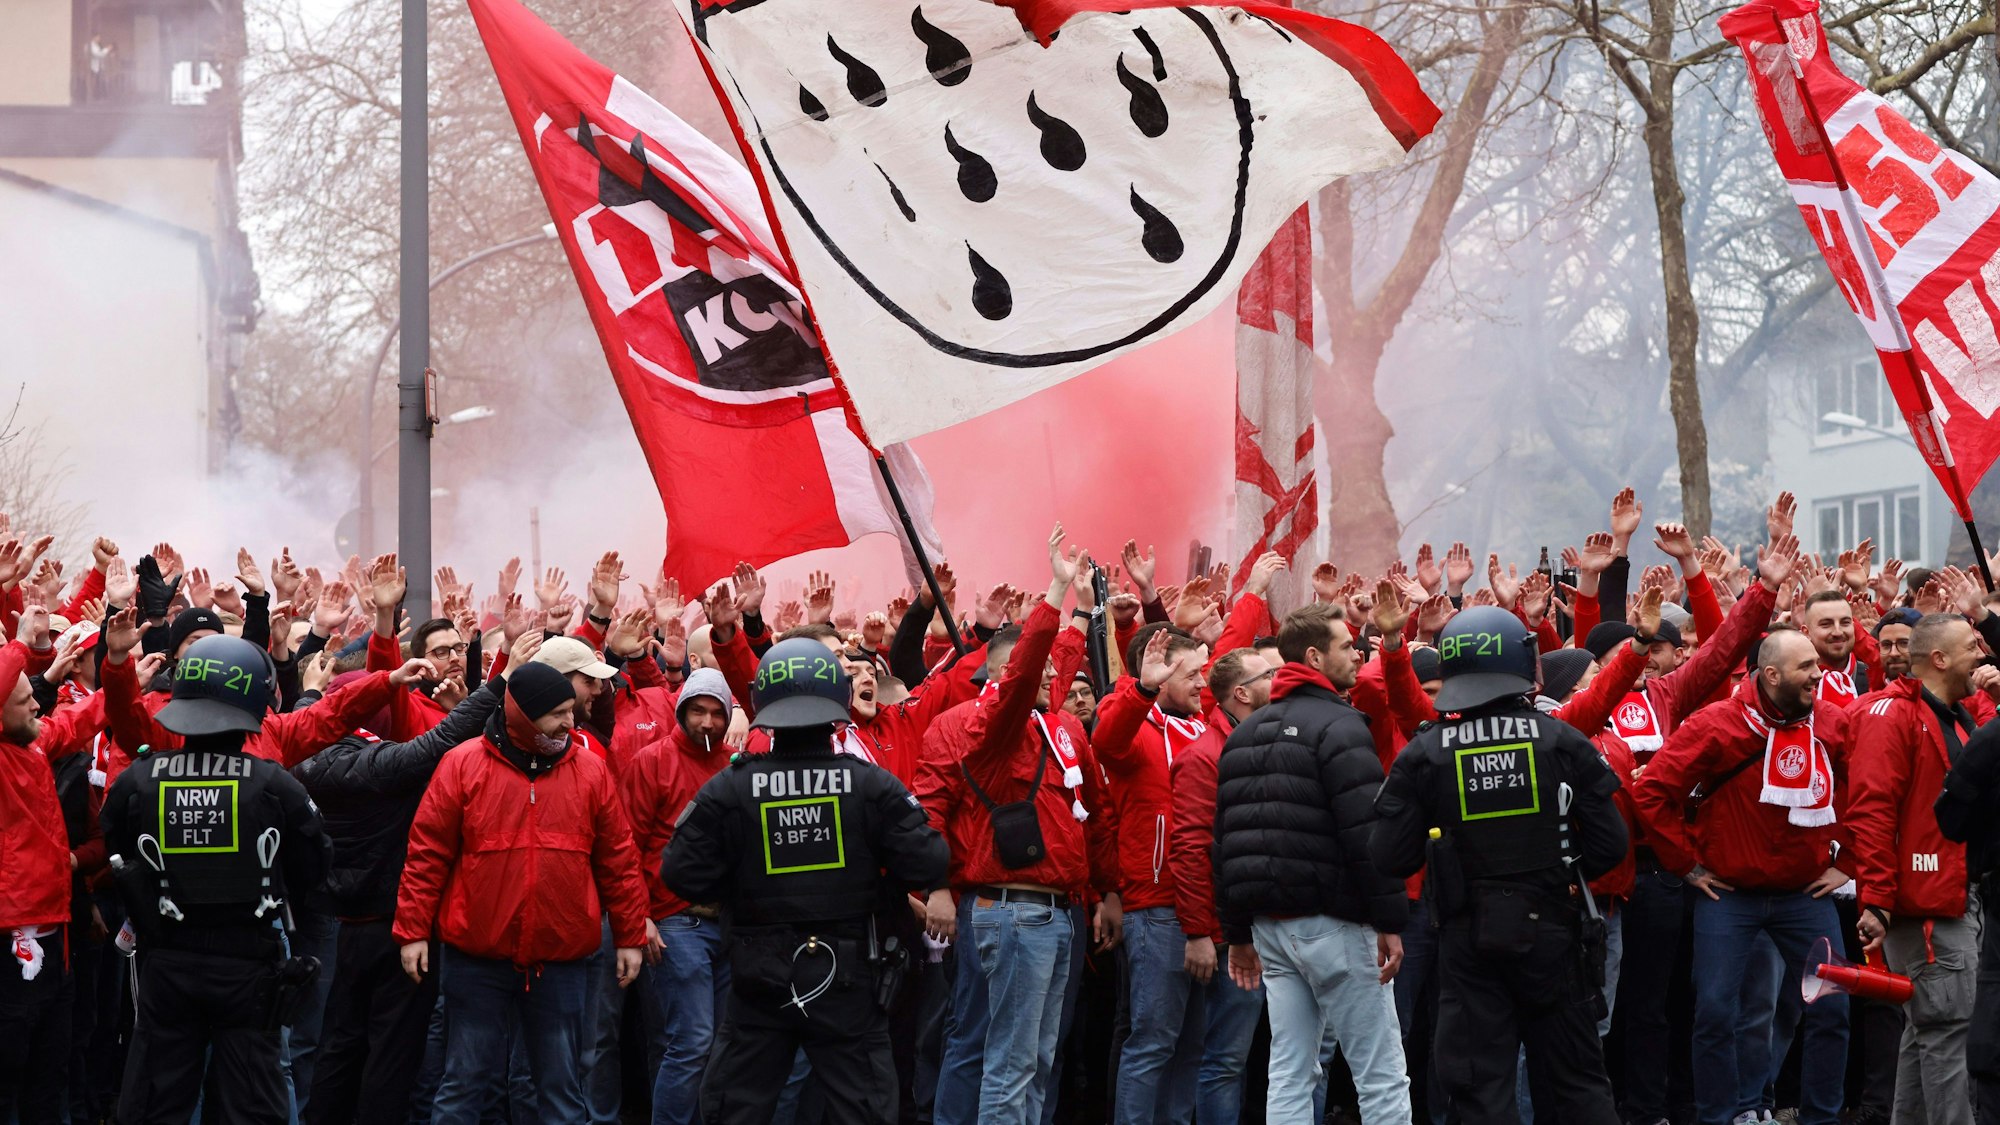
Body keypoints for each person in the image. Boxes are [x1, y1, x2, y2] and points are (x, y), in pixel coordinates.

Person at [659, 636, 950, 1125]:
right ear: (835, 700)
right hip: (850, 978)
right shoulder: (869, 784)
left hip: (758, 978)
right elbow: (929, 861)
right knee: (866, 1112)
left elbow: (679, 872)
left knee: (735, 1110)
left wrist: (741, 879)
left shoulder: (731, 786)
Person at [1371, 605, 1628, 1125]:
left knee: (1478, 1088)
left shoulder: (1425, 753)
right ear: (1522, 661)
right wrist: (1559, 866)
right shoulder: (1561, 739)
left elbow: (1390, 856)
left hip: (1467, 945)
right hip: (1556, 933)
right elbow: (1610, 846)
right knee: (1578, 1083)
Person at [917, 527, 1120, 1125]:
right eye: (1043, 676)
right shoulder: (995, 729)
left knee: (1038, 1058)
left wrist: (1081, 612)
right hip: (1015, 913)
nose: (1059, 680)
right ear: (1009, 682)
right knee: (1008, 1063)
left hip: (1056, 913)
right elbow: (1033, 664)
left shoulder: (1047, 726)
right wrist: (1055, 590)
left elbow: (1051, 662)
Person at [294, 630, 538, 1125]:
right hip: (395, 924)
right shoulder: (370, 763)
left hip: (349, 922)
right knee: (390, 1051)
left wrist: (314, 692)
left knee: (341, 1042)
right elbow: (442, 741)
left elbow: (307, 721)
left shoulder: (307, 750)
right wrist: (503, 680)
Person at [393, 661, 652, 1125]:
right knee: (463, 1086)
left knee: (562, 1093)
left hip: (561, 959)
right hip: (476, 957)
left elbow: (619, 860)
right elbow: (426, 854)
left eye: (572, 711)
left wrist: (630, 935)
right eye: (558, 714)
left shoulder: (590, 770)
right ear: (522, 714)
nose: (571, 723)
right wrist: (412, 931)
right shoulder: (463, 763)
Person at [99, 627, 337, 1125]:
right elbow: (313, 866)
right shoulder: (276, 785)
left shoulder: (138, 780)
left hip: (167, 962)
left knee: (153, 1102)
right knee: (252, 1103)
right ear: (255, 702)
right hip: (248, 964)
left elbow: (118, 847)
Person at [1632, 605, 1857, 1125]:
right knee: (1714, 1012)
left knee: (1833, 1009)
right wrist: (1685, 864)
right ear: (1771, 674)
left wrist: (1850, 857)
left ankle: (1821, 1117)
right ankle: (1719, 1117)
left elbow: (1868, 792)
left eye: (1817, 665)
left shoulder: (1832, 721)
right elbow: (1651, 794)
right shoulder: (1716, 725)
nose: (1818, 674)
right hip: (1728, 900)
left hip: (1807, 898)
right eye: (1805, 667)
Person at [1212, 600, 1410, 1125]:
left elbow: (1227, 845)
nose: (1357, 651)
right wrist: (1390, 921)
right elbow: (1367, 835)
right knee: (1382, 1072)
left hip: (1270, 932)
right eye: (1347, 646)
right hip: (1334, 926)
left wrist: (1238, 934)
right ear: (1317, 658)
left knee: (1290, 1071)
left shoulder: (1243, 734)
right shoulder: (1342, 726)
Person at [1847, 612, 1986, 1125]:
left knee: (1925, 1032)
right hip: (1926, 905)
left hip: (1947, 895)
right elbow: (1872, 809)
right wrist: (1878, 900)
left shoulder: (1952, 715)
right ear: (1941, 659)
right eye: (1972, 647)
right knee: (1949, 1032)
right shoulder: (1893, 716)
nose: (1982, 655)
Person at [1092, 625, 1210, 1125]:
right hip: (1156, 908)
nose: (1203, 682)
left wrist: (1251, 595)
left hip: (1207, 908)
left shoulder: (1205, 729)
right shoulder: (1137, 729)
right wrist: (1140, 689)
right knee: (1153, 1043)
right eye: (1192, 673)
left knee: (1192, 1047)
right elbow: (1106, 739)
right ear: (1160, 677)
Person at [621, 668, 736, 1125]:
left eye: (716, 713)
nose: (707, 722)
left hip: (729, 923)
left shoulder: (735, 765)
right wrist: (639, 916)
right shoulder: (650, 761)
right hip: (674, 920)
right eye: (697, 711)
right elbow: (625, 845)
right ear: (681, 709)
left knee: (720, 1043)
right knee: (690, 1042)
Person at [1166, 646, 1273, 1125]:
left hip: (1258, 929)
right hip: (1228, 937)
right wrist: (1200, 932)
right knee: (1223, 1060)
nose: (1282, 678)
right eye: (1269, 674)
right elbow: (1190, 850)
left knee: (1246, 1058)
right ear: (1242, 693)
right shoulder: (1205, 755)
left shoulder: (1257, 743)